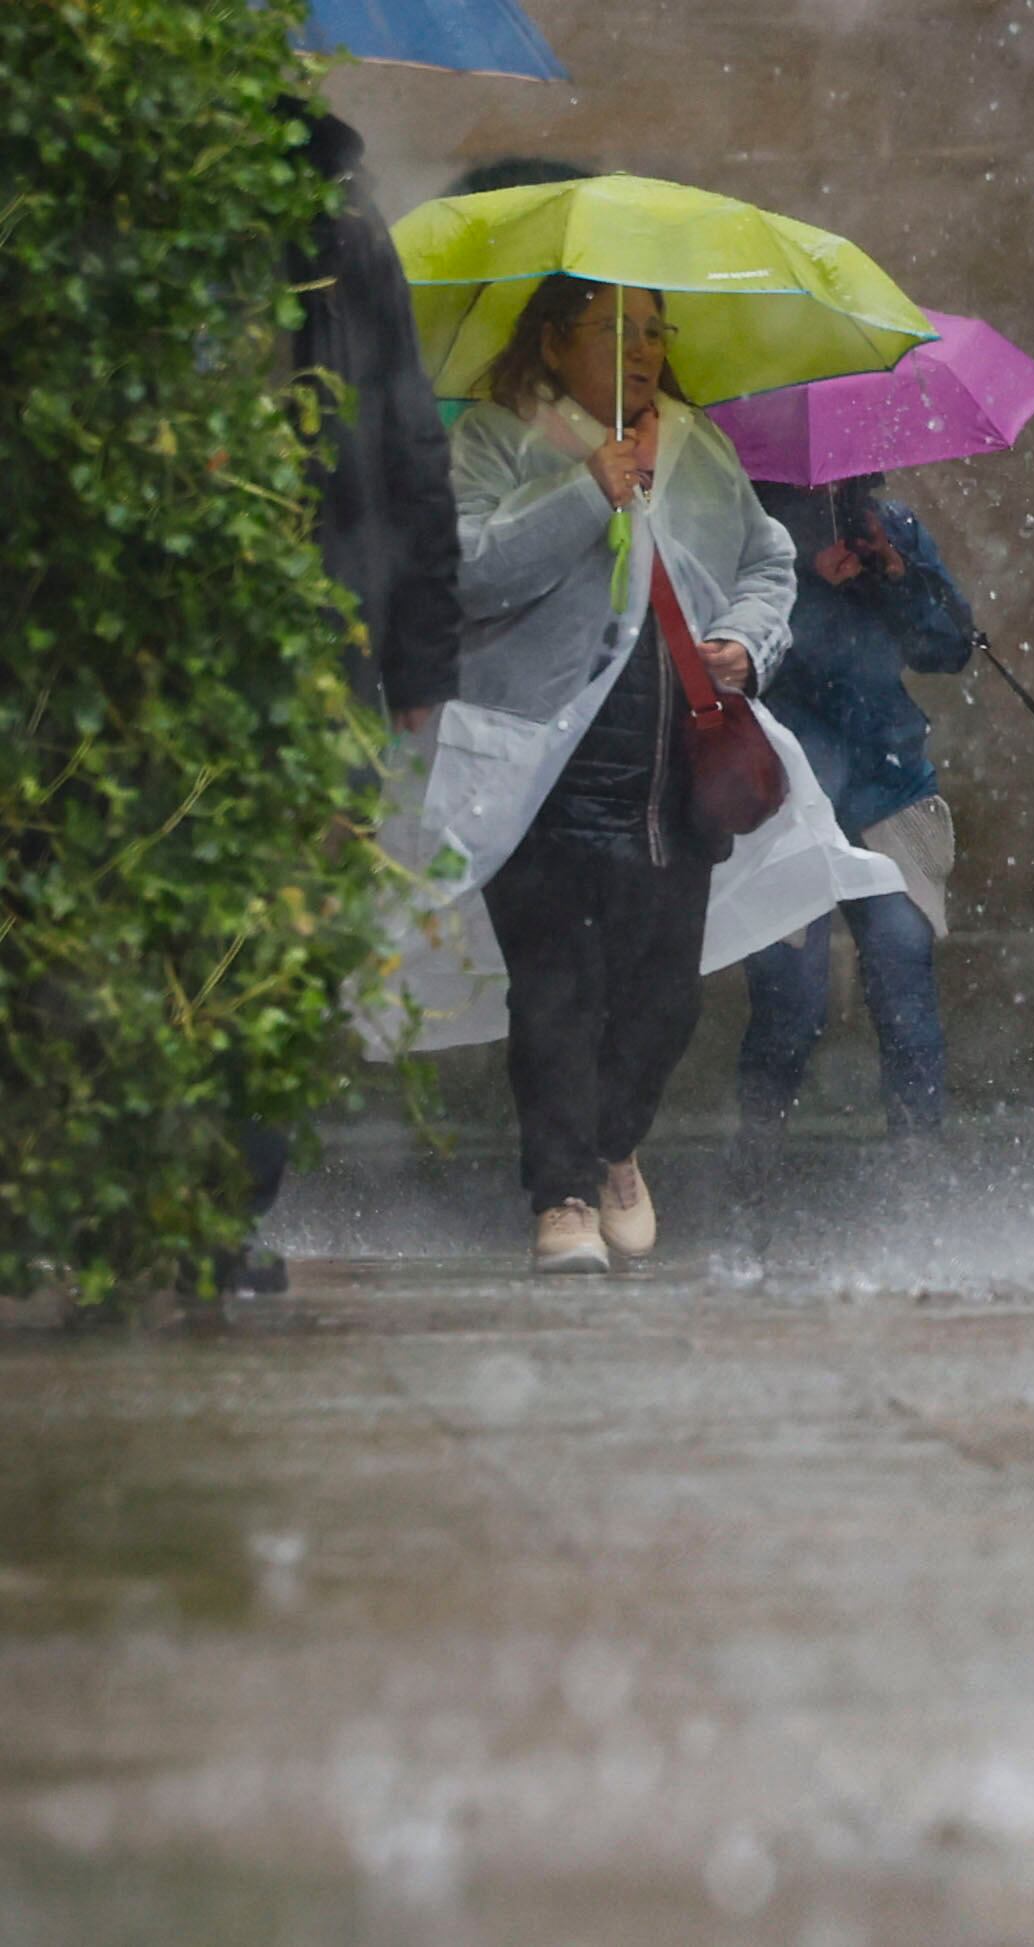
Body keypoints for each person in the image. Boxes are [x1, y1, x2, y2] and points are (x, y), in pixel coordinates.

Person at [448, 276, 796, 1272]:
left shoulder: (694, 445)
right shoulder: (492, 439)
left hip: (667, 769)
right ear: (554, 344)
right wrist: (582, 491)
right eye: (614, 331)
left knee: (660, 999)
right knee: (554, 989)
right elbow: (466, 568)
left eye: (653, 331)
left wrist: (744, 641)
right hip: (537, 769)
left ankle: (608, 1147)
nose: (641, 351)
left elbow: (765, 564)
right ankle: (559, 1198)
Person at [218, 106, 465, 1299]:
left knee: (287, 935)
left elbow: (407, 436)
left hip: (318, 632)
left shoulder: (339, 228)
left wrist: (417, 652)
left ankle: (229, 1198)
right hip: (184, 634)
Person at [736, 476, 976, 1154]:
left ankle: (919, 1158)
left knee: (904, 974)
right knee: (792, 1001)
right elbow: (740, 657)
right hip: (783, 797)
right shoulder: (755, 538)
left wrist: (894, 573)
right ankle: (758, 1154)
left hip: (886, 783)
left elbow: (949, 646)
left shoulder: (889, 526)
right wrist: (805, 578)